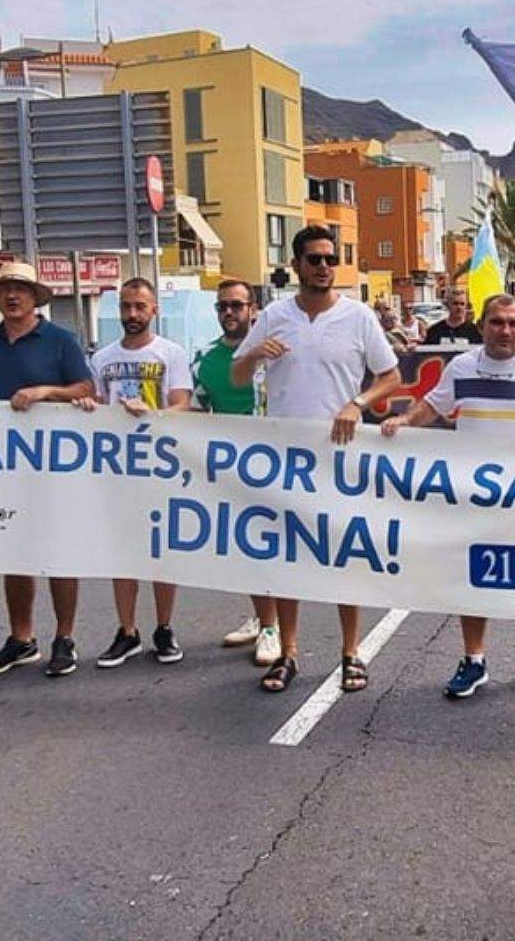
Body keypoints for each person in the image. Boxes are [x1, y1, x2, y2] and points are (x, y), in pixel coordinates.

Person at [380, 294, 515, 700]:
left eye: (513, 323)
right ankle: (474, 660)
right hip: (472, 499)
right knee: (472, 577)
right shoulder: (461, 366)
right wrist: (403, 420)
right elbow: (433, 408)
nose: (506, 330)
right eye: (497, 322)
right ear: (482, 325)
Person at [233, 225, 402, 694]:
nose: (324, 266)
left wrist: (358, 403)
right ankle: (287, 653)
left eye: (331, 258)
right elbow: (237, 372)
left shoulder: (359, 317)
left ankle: (351, 652)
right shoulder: (272, 316)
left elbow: (391, 377)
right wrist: (253, 357)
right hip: (286, 456)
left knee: (344, 555)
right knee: (288, 557)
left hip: (341, 458)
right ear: (297, 265)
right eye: (315, 259)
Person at [0, 261, 96, 679]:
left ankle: (64, 637)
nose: (11, 296)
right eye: (5, 289)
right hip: (5, 466)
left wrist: (47, 392)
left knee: (59, 551)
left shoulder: (60, 340)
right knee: (14, 553)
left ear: (35, 298)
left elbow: (85, 389)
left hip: (54, 466)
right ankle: (21, 638)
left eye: (20, 289)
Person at [83, 278, 194, 667]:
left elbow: (182, 404)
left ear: (153, 311)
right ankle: (127, 631)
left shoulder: (172, 354)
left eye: (139, 307)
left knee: (161, 551)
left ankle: (164, 628)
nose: (132, 314)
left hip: (159, 465)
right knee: (124, 553)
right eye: (126, 307)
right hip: (118, 467)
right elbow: (96, 403)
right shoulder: (102, 358)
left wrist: (155, 415)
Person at [195, 279, 284, 666]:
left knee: (270, 548)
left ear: (252, 309)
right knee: (246, 548)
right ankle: (263, 616)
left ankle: (272, 626)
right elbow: (197, 412)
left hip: (277, 465)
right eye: (222, 307)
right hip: (231, 468)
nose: (229, 313)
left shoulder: (274, 354)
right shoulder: (205, 358)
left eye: (236, 305)